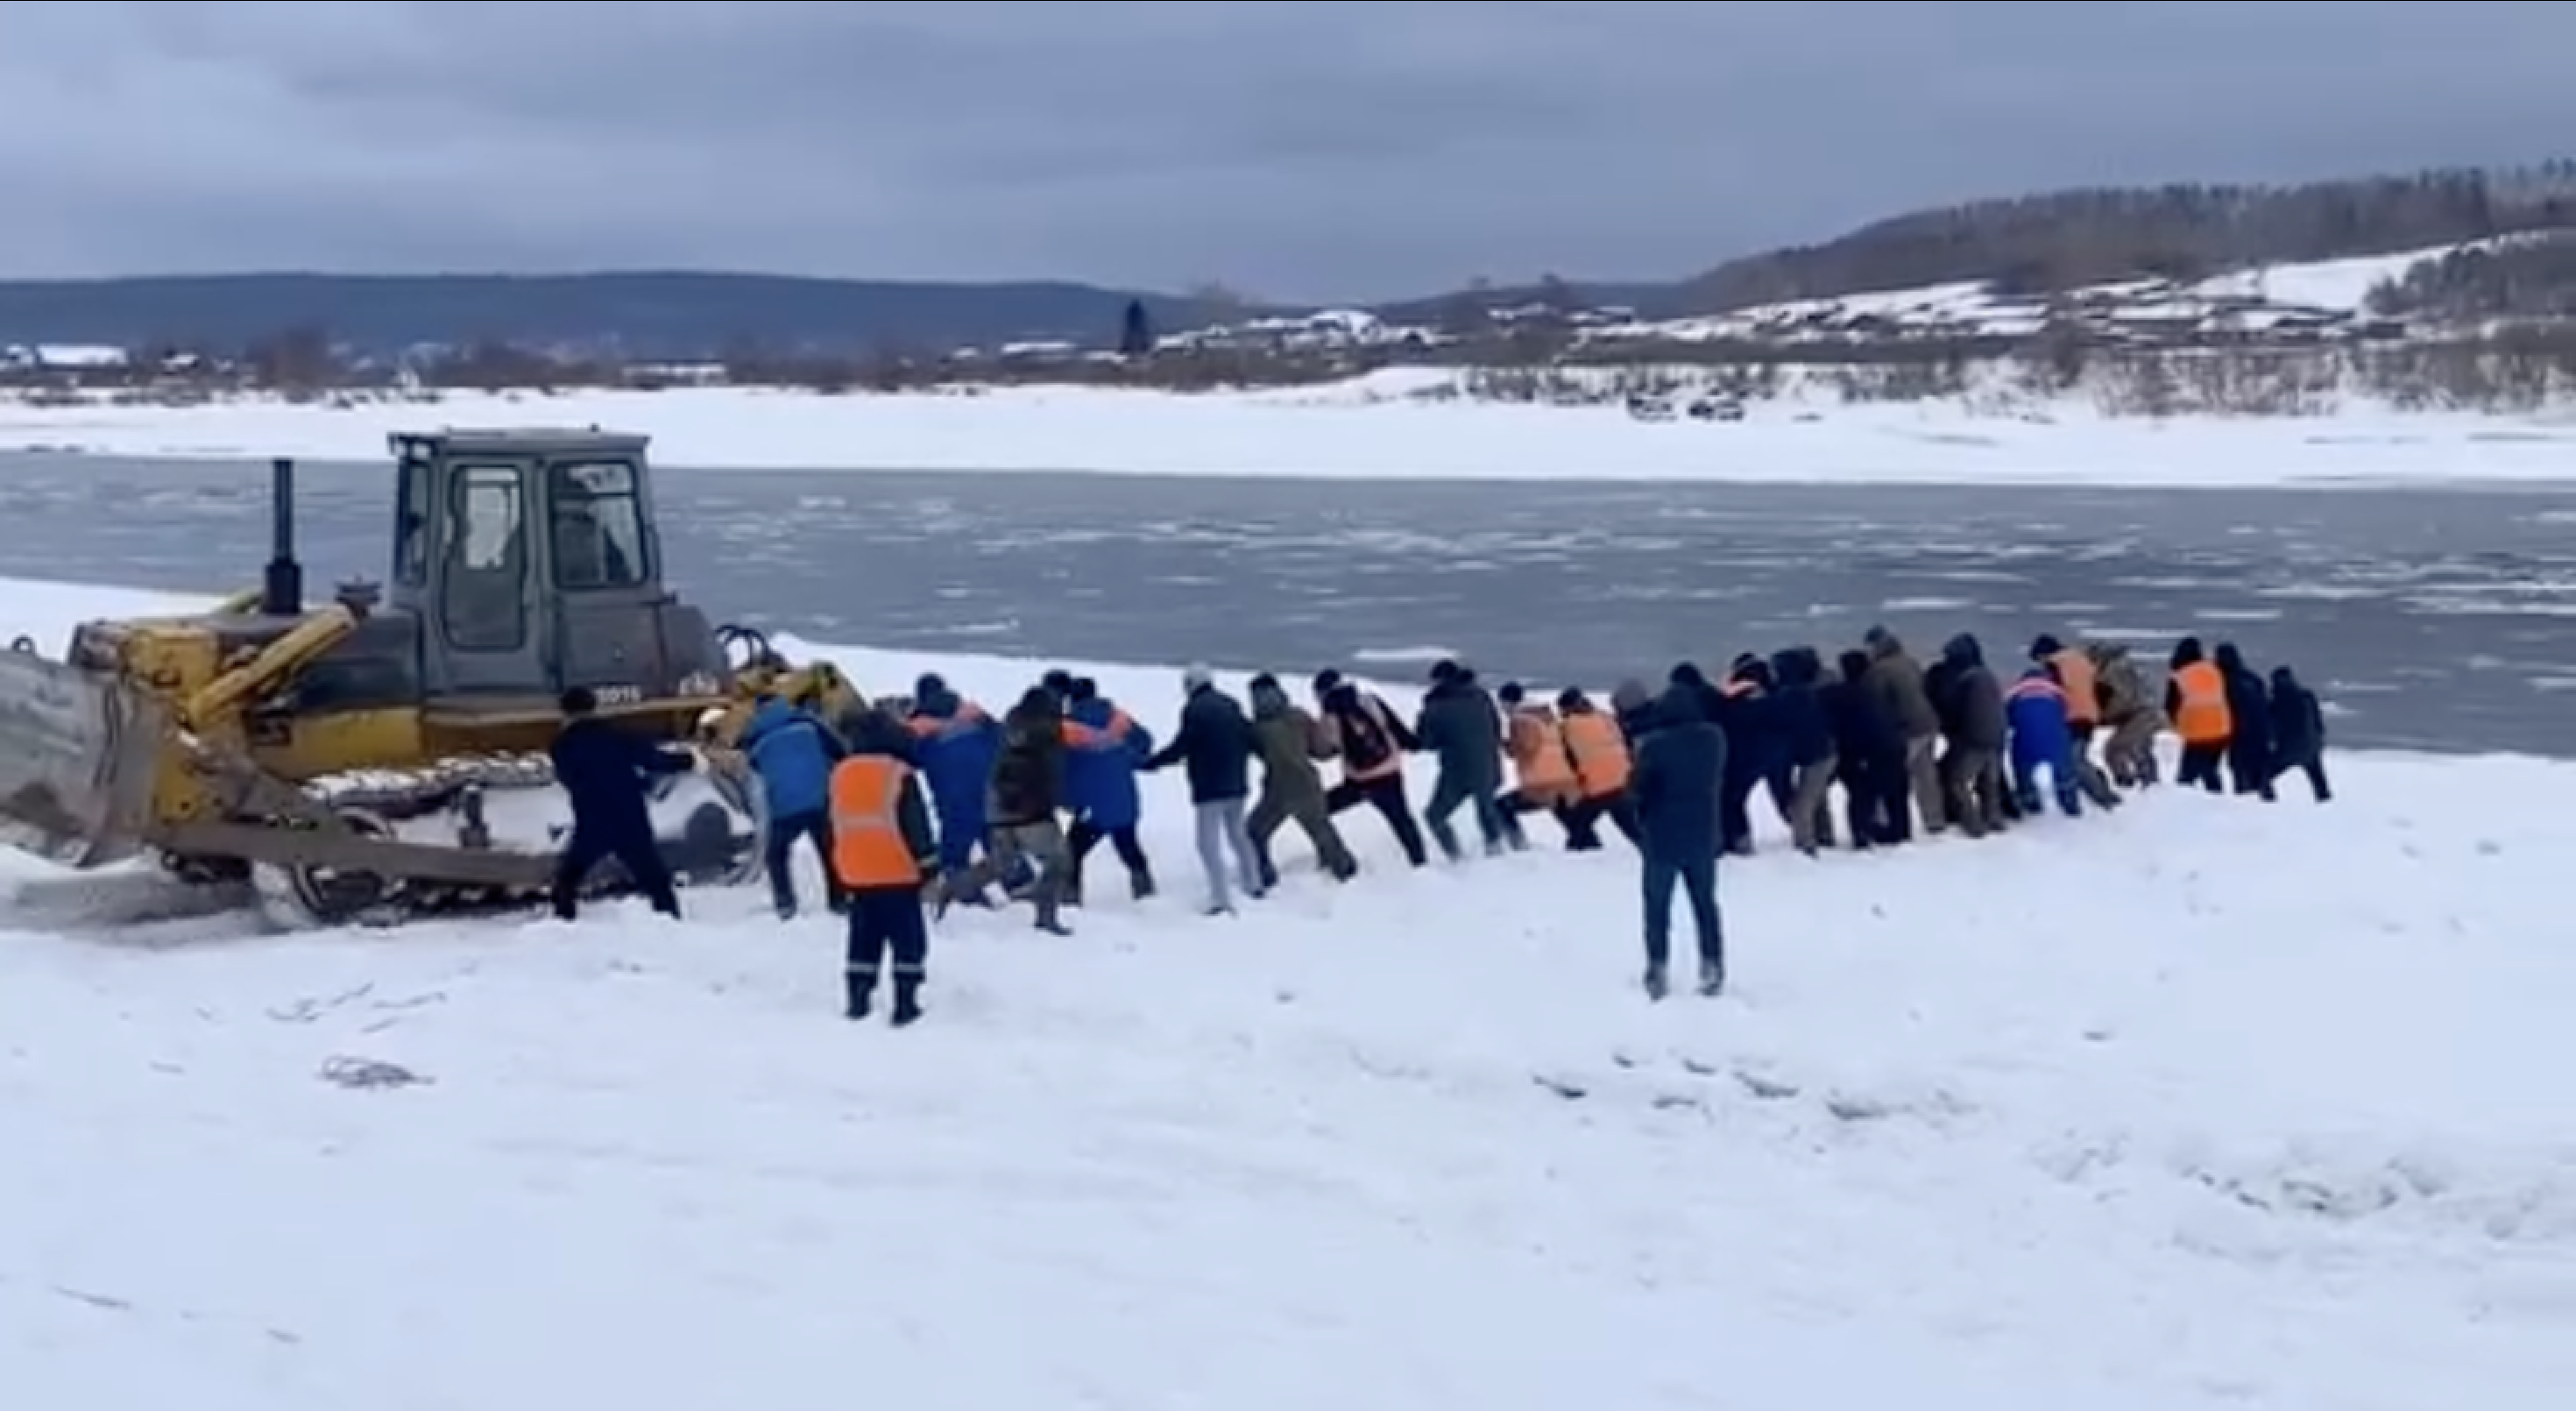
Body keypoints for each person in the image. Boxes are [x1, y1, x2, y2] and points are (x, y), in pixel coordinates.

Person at [826, 709, 942, 1025]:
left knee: (863, 935)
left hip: (855, 870)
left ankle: (858, 999)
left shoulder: (840, 773)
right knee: (907, 938)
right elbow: (915, 825)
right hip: (896, 869)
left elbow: (834, 821)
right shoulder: (898, 773)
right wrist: (929, 865)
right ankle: (905, 1003)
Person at [547, 685, 690, 922]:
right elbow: (654, 760)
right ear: (594, 708)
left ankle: (564, 920)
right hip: (629, 814)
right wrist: (688, 760)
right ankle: (670, 918)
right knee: (653, 875)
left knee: (569, 876)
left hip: (592, 818)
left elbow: (570, 779)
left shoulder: (562, 745)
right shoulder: (619, 733)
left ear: (566, 713)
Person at [951, 686, 1080, 934]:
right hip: (1030, 811)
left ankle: (957, 887)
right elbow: (1048, 774)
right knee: (1059, 861)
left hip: (998, 806)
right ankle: (1046, 917)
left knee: (1003, 864)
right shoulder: (1047, 732)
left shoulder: (1012, 726)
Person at [1630, 684, 1727, 1000]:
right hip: (1703, 832)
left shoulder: (1654, 746)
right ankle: (1712, 964)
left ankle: (1657, 966)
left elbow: (1638, 789)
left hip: (1662, 835)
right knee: (1705, 903)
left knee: (1657, 906)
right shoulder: (1714, 740)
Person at [1145, 664, 1266, 914]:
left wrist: (1152, 762)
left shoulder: (1194, 711)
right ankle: (1254, 883)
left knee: (1207, 843)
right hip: (1237, 781)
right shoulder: (1231, 704)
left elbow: (1182, 746)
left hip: (1209, 786)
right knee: (1238, 834)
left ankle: (1220, 898)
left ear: (1190, 684)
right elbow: (1250, 736)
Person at [739, 690, 849, 919]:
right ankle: (839, 900)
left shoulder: (753, 736)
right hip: (820, 799)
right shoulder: (808, 722)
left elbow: (753, 769)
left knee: (776, 854)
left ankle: (785, 903)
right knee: (829, 849)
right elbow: (839, 751)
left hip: (785, 807)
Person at [1246, 672, 1359, 886]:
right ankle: (1346, 873)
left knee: (1255, 832)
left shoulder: (1254, 728)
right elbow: (1319, 750)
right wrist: (1337, 747)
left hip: (1276, 790)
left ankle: (1264, 874)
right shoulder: (1298, 715)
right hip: (1307, 784)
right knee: (1322, 833)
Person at [907, 676, 1007, 904]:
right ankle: (1023, 891)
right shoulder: (975, 717)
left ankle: (966, 895)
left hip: (954, 799)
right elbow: (1002, 740)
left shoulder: (921, 730)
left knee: (954, 855)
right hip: (993, 792)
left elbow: (909, 759)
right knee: (1001, 849)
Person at [1314, 669, 1429, 866]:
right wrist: (1416, 744)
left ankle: (1333, 859)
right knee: (1402, 820)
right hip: (1389, 773)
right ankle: (1420, 863)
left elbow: (1328, 749)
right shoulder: (1370, 701)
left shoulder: (1329, 715)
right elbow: (1397, 730)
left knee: (1318, 811)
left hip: (1358, 781)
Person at [1062, 677, 1157, 904]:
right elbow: (1145, 742)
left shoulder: (1067, 727)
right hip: (1123, 799)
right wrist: (1126, 758)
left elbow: (1059, 764)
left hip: (1092, 806)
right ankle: (1146, 893)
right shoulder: (1118, 719)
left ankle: (1070, 899)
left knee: (1071, 853)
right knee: (1128, 846)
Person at [1862, 627, 1946, 834]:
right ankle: (1934, 819)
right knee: (1926, 775)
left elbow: (1877, 702)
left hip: (1908, 729)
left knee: (1889, 775)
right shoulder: (1909, 661)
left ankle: (1882, 820)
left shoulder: (1879, 670)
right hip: (1929, 722)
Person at [1826, 648, 1907, 847]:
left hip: (1864, 751)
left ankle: (1862, 834)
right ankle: (1898, 832)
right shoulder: (1873, 690)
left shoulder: (1840, 694)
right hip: (1891, 744)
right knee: (1894, 792)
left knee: (1861, 795)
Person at [1930, 633, 2008, 838]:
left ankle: (1973, 825)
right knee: (1990, 781)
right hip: (1997, 737)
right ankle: (1994, 819)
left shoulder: (1964, 681)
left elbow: (1954, 709)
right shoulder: (1988, 675)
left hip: (1975, 738)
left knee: (1957, 781)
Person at [2031, 634, 2120, 808]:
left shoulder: (2054, 664)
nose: (2040, 664)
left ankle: (2104, 797)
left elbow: (2051, 693)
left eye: (2038, 659)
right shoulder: (2081, 660)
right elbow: (2104, 688)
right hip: (2090, 715)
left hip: (2072, 716)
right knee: (2078, 757)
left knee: (2074, 761)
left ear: (2043, 653)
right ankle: (2099, 786)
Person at [1768, 647, 1838, 854]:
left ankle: (1806, 847)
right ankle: (1825, 837)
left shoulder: (1791, 696)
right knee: (1816, 798)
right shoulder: (1804, 691)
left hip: (1817, 755)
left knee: (1803, 805)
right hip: (1823, 751)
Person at [1555, 688, 1642, 851]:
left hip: (1598, 785)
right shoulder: (1606, 717)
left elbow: (1565, 757)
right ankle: (1648, 849)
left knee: (1576, 824)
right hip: (1624, 779)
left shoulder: (1567, 726)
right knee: (1630, 825)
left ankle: (1586, 857)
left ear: (1566, 708)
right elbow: (1625, 742)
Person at [1497, 683, 1582, 846]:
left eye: (1503, 704)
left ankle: (1518, 844)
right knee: (1567, 816)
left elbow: (1526, 748)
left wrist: (1504, 744)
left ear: (1509, 702)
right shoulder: (1548, 717)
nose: (1503, 709)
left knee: (1500, 807)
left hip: (1541, 785)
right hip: (1564, 782)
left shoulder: (1520, 719)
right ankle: (1588, 845)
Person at [2004, 663, 2084, 819]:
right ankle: (2070, 803)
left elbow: (2008, 719)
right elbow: (2066, 713)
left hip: (2027, 741)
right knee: (2063, 769)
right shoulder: (2057, 691)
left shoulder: (2014, 691)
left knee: (2023, 768)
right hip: (2056, 739)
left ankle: (2031, 801)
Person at [2089, 641, 2162, 788]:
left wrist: (2105, 716)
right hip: (2146, 713)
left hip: (2139, 714)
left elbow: (2123, 697)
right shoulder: (2126, 667)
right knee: (2139, 749)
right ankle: (2150, 782)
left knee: (2115, 749)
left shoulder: (2114, 671)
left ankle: (2127, 781)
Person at [2165, 637, 2232, 792]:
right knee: (2210, 768)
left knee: (2188, 774)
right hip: (2221, 728)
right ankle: (2217, 799)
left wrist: (2177, 724)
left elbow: (2171, 706)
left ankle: (2187, 803)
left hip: (2196, 730)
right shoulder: (2214, 670)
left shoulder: (2179, 676)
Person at [2214, 642, 2275, 801]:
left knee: (2241, 775)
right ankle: (2270, 806)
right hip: (2261, 732)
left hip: (2239, 734)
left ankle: (2245, 809)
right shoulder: (2253, 678)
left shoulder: (2223, 681)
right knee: (2261, 774)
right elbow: (2266, 704)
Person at [2267, 664, 2332, 802]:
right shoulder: (2307, 696)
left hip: (2289, 749)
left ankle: (2267, 801)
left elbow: (2273, 727)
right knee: (2317, 776)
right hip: (2312, 746)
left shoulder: (2278, 701)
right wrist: (2319, 741)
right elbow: (2318, 722)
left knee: (2265, 775)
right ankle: (2325, 800)